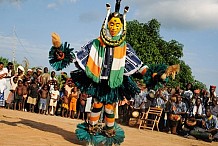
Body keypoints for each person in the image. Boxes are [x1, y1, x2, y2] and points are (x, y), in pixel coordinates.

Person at [48, 0, 178, 145]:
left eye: (117, 24)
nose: (114, 27)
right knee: (96, 105)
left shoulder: (125, 47)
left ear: (122, 26)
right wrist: (62, 53)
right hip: (99, 81)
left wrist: (155, 74)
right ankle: (91, 135)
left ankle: (109, 136)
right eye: (112, 24)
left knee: (110, 107)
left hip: (114, 82)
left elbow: (138, 65)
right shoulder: (96, 43)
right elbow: (80, 56)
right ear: (106, 24)